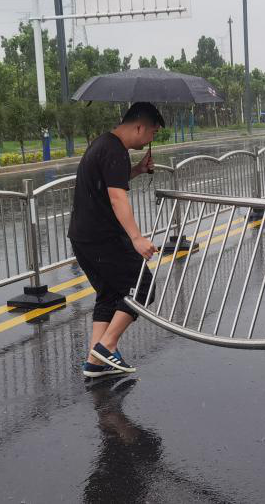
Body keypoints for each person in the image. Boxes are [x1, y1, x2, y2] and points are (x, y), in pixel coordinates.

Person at [69, 102, 163, 378]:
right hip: (103, 238)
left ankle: (94, 362)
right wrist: (136, 238)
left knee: (109, 295)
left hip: (83, 238)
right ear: (139, 127)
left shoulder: (104, 144)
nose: (151, 139)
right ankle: (107, 345)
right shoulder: (115, 151)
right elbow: (116, 196)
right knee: (144, 286)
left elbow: (109, 182)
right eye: (153, 133)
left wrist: (136, 170)